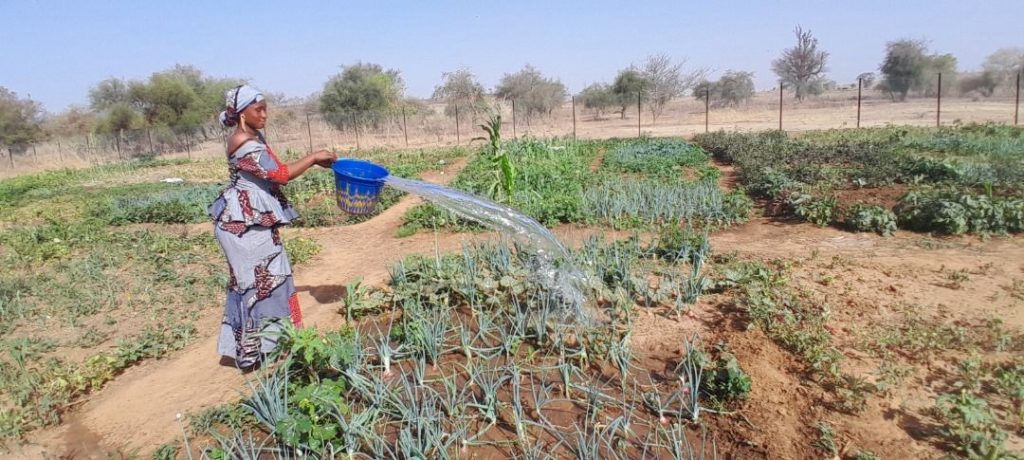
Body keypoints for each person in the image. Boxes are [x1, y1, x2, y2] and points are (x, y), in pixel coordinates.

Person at [209, 84, 337, 370]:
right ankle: (255, 352)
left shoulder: (254, 135)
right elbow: (280, 174)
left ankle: (276, 344)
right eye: (259, 110)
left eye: (266, 108)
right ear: (243, 114)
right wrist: (314, 157)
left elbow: (275, 170)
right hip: (243, 226)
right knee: (256, 285)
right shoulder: (243, 142)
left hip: (253, 222)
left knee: (272, 280)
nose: (265, 114)